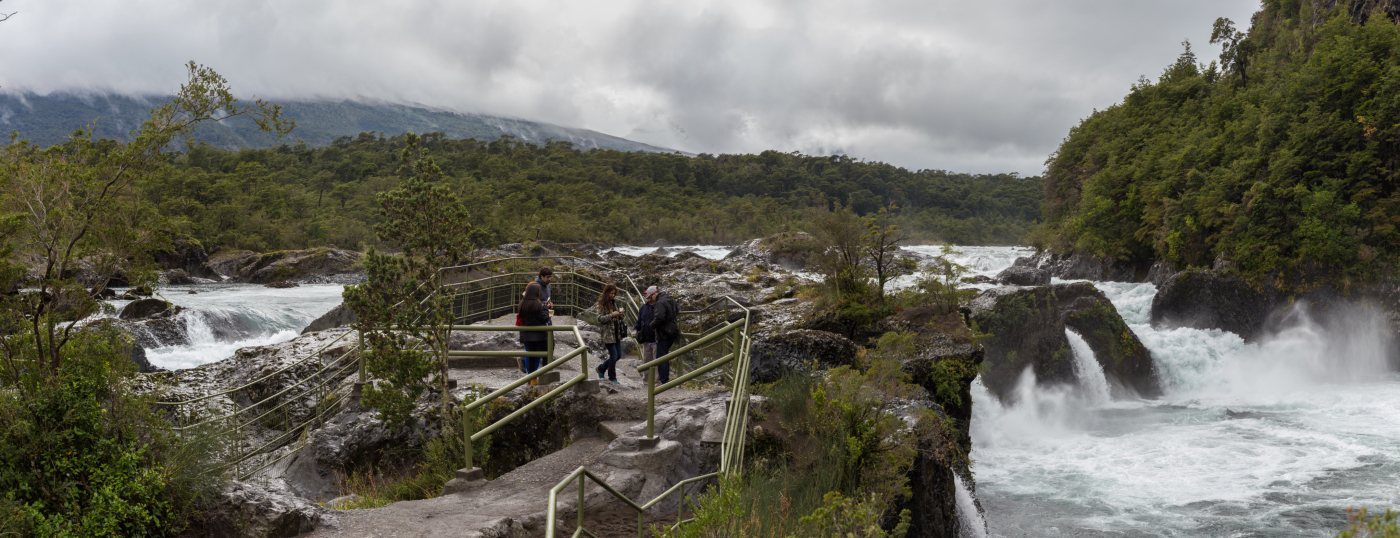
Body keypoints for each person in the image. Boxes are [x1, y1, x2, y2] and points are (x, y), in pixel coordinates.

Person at [518, 281, 550, 385]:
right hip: (540, 335)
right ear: (537, 293)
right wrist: (546, 308)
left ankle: (533, 379)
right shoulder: (539, 305)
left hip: (528, 334)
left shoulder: (523, 304)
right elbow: (544, 318)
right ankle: (545, 376)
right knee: (545, 356)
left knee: (531, 356)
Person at [594, 283, 626, 383]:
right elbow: (600, 318)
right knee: (614, 356)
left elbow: (618, 317)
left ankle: (601, 368)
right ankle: (612, 378)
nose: (613, 295)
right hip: (608, 334)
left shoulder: (613, 302)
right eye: (611, 293)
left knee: (618, 355)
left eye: (614, 294)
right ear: (607, 292)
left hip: (616, 333)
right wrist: (612, 315)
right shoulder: (601, 303)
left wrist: (621, 314)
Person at [648, 285, 680, 384]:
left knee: (661, 357)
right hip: (673, 330)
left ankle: (664, 381)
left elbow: (660, 317)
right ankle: (663, 380)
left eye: (650, 296)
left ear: (654, 294)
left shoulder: (659, 302)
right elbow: (677, 311)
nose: (650, 299)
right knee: (663, 356)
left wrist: (652, 325)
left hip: (664, 333)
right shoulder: (670, 298)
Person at [633, 286, 658, 375]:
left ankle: (656, 383)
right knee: (646, 362)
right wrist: (635, 329)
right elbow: (639, 321)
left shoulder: (659, 306)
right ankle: (646, 382)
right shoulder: (643, 307)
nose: (646, 296)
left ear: (652, 295)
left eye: (647, 294)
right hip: (646, 340)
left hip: (656, 340)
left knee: (656, 364)